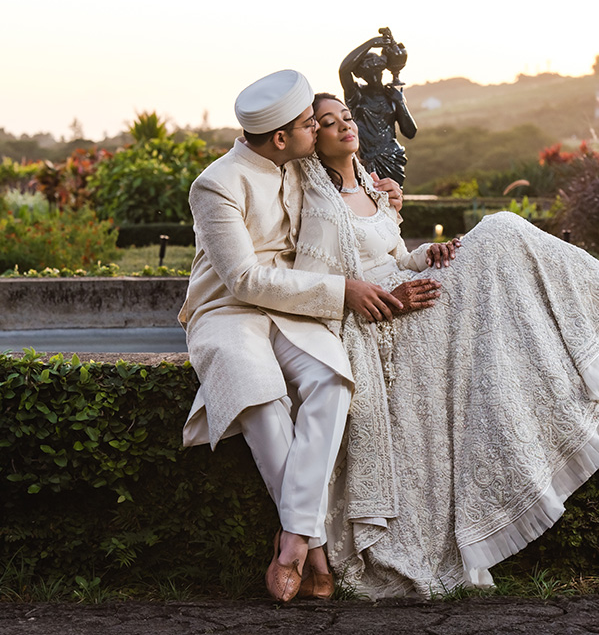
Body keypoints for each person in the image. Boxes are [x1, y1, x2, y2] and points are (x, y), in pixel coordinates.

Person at [293, 93, 599, 598]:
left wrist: (426, 255)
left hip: (412, 292)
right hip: (386, 322)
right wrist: (391, 298)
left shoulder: (374, 188)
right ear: (314, 140)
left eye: (346, 116)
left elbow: (395, 258)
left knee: (504, 240)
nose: (344, 125)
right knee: (501, 230)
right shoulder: (319, 204)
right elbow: (324, 286)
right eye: (327, 123)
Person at [177, 71, 425, 602]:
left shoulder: (300, 163)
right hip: (229, 311)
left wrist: (386, 195)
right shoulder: (217, 184)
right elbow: (244, 279)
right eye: (311, 124)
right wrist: (341, 292)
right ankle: (312, 551)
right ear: (281, 138)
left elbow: (350, 198)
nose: (319, 129)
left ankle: (290, 538)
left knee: (332, 381)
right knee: (260, 397)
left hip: (295, 307)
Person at [339, 33, 417, 186]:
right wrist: (372, 43)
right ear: (361, 74)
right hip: (365, 158)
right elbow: (343, 70)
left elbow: (410, 132)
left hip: (392, 156)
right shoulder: (356, 95)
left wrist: (400, 102)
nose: (373, 76)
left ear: (382, 69)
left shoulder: (392, 95)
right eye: (368, 72)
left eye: (376, 71)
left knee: (392, 197)